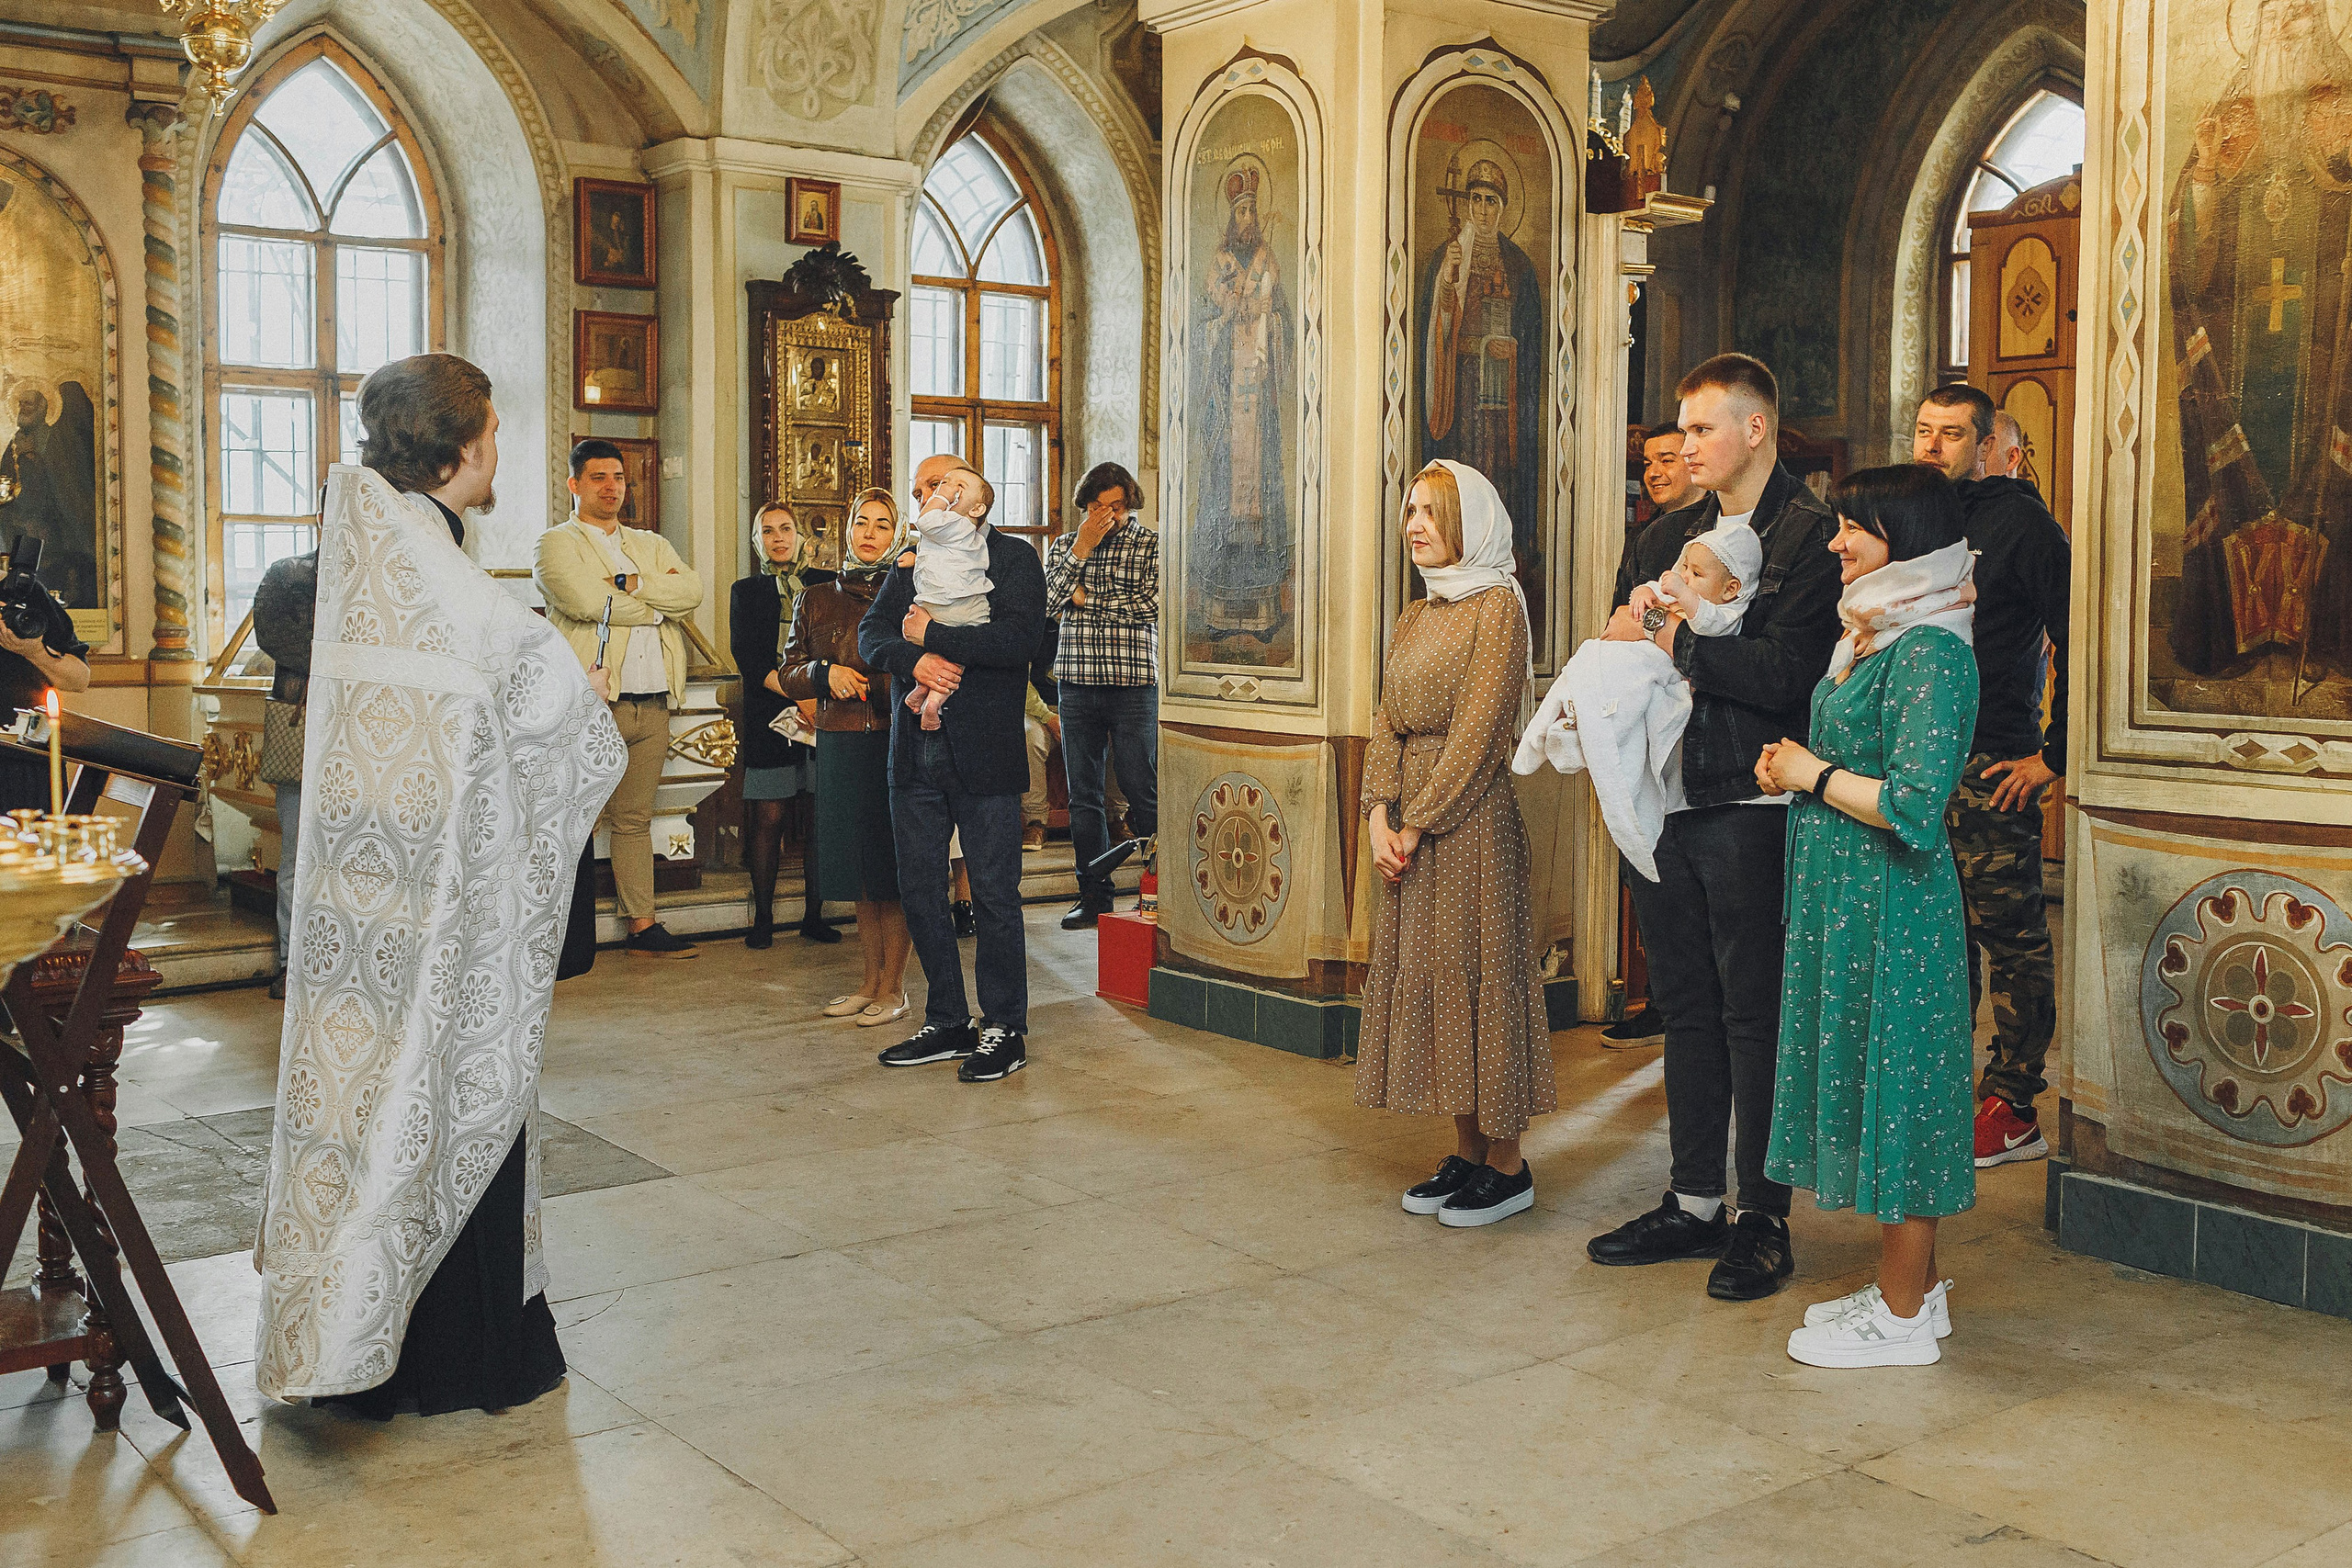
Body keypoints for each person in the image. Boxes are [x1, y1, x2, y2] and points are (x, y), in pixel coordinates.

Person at [254, 352, 623, 1416]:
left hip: (390, 886)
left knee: (386, 1099)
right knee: (443, 1085)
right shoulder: (418, 557)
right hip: (434, 905)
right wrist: (574, 687)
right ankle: (449, 1360)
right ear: (460, 448)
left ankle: (371, 1334)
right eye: (495, 435)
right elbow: (510, 667)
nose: (499, 451)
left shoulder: (390, 545)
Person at [1584, 353, 1841, 1302]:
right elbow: (1619, 645)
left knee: (1751, 1015)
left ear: (1754, 428)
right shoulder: (1664, 534)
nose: (1684, 446)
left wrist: (1679, 643)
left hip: (1749, 801)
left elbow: (1792, 675)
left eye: (1700, 429)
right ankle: (1693, 1201)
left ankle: (1761, 1217)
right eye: (1681, 430)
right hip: (1660, 799)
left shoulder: (1810, 537)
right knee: (1685, 1009)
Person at [1756, 464, 1981, 1368]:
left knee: (1904, 1097)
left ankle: (1898, 1323)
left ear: (1909, 542)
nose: (1837, 540)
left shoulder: (1930, 650)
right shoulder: (1880, 634)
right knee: (1879, 1085)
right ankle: (1914, 1296)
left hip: (1895, 910)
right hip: (1849, 907)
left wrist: (1807, 773)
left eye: (1857, 527)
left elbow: (1916, 807)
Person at [1359, 460, 1553, 1228]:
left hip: (1468, 822)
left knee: (1480, 974)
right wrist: (1377, 812)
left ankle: (1508, 1165)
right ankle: (1467, 1151)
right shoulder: (1416, 614)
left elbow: (1478, 736)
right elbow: (1385, 720)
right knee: (1435, 976)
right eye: (1409, 510)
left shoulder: (1497, 606)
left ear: (1470, 523)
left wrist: (1414, 819)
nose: (1414, 525)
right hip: (1408, 821)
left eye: (1432, 513)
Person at [1913, 383, 2070, 1168]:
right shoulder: (1917, 518)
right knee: (1938, 940)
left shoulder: (2026, 527)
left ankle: (2013, 1104)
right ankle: (1948, 1089)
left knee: (2009, 940)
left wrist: (2054, 755)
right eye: (1923, 431)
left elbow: (2082, 639)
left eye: (1949, 435)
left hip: (1990, 759)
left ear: (1984, 448)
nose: (1930, 447)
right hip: (1918, 765)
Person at [861, 455, 1047, 1083]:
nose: (926, 498)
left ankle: (1004, 1026)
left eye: (937, 486)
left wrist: (934, 636)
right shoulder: (910, 563)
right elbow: (871, 636)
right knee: (920, 889)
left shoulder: (1015, 559)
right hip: (914, 755)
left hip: (986, 754)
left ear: (974, 498)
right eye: (919, 490)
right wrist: (914, 663)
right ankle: (947, 1018)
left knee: (994, 895)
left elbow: (1019, 642)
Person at [1516, 518, 1765, 882]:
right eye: (1685, 567)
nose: (1685, 576)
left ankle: (1583, 734)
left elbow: (1705, 626)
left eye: (1697, 574)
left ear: (1730, 589)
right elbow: (1637, 598)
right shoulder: (1677, 584)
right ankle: (1555, 727)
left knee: (1626, 696)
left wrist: (1676, 599)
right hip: (1632, 653)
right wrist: (1645, 596)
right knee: (1587, 659)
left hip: (1659, 672)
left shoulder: (1725, 612)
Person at [535, 439, 707, 959]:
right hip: (591, 702)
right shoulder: (556, 543)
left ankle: (643, 925)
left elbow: (692, 592)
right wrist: (656, 607)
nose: (611, 488)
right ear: (574, 484)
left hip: (652, 701)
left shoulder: (649, 542)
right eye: (598, 478)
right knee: (572, 817)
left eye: (618, 478)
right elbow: (586, 602)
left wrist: (632, 584)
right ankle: (559, 932)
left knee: (635, 818)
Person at [779, 488, 912, 1028]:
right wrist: (822, 675)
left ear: (896, 534)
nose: (870, 533)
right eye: (862, 522)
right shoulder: (816, 597)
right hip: (838, 740)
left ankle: (896, 987)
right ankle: (868, 981)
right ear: (847, 529)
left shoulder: (910, 594)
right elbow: (790, 670)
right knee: (858, 868)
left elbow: (924, 663)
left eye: (883, 525)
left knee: (891, 868)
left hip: (893, 739)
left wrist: (880, 684)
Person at [1601, 423, 1709, 1047]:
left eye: (1670, 458)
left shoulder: (1724, 535)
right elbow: (1622, 616)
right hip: (1643, 713)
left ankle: (1690, 1005)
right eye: (1649, 462)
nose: (1658, 471)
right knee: (1644, 862)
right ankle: (1664, 1000)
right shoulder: (1646, 536)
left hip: (1698, 716)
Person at [1044, 461, 1159, 928]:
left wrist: (1087, 599)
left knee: (1141, 788)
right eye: (1096, 507)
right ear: (1084, 507)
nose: (1106, 516)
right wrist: (1081, 550)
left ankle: (1159, 887)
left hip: (1133, 683)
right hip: (1075, 683)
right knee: (1083, 796)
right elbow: (1049, 604)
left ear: (1129, 504)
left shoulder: (1150, 544)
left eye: (1115, 507)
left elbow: (1149, 606)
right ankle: (1094, 894)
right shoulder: (1063, 547)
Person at [729, 501, 837, 949]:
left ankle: (815, 916)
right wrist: (800, 694)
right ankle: (764, 920)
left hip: (820, 714)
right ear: (758, 541)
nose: (778, 537)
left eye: (786, 529)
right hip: (768, 713)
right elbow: (750, 659)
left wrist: (816, 697)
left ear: (800, 535)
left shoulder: (823, 584)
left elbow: (831, 644)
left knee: (817, 818)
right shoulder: (746, 590)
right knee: (769, 817)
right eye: (768, 530)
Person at [251, 547, 318, 998]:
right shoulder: (288, 571)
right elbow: (273, 633)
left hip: (372, 729)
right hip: (304, 724)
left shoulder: (389, 567)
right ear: (322, 515)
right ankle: (292, 965)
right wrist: (344, 654)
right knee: (296, 858)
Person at [0, 536, 91, 813]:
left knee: (35, 854)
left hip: (24, 764)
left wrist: (33, 651)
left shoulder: (24, 592)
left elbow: (79, 678)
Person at [902, 471, 995, 730]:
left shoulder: (960, 523)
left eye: (958, 486)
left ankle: (928, 698)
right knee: (949, 659)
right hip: (956, 606)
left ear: (976, 509)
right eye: (944, 483)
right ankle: (928, 697)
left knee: (946, 654)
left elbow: (926, 522)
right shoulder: (958, 532)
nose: (947, 489)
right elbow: (939, 554)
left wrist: (942, 497)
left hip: (953, 604)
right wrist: (915, 558)